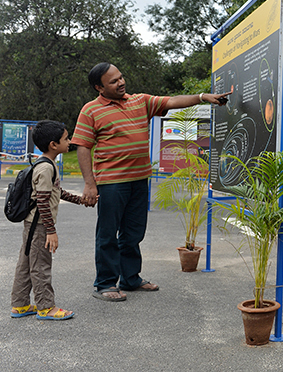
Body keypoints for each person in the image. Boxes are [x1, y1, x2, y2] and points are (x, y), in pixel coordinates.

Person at [72, 62, 230, 301]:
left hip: (139, 180)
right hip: (111, 182)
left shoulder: (140, 101)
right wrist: (89, 184)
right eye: (113, 81)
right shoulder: (90, 110)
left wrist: (202, 97)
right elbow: (83, 146)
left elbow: (172, 101)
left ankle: (130, 278)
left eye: (121, 76)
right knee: (107, 234)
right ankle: (105, 284)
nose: (121, 82)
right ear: (99, 87)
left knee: (133, 232)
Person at [11, 120, 86, 320]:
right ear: (53, 144)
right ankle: (46, 307)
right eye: (66, 138)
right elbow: (43, 201)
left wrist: (80, 201)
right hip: (39, 226)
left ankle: (20, 305)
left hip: (34, 224)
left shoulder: (46, 164)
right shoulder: (45, 168)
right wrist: (51, 231)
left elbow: (55, 192)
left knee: (26, 263)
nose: (69, 141)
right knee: (41, 266)